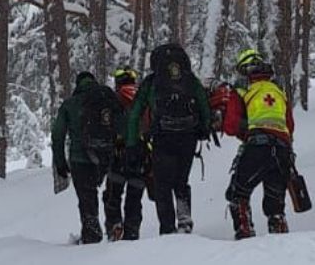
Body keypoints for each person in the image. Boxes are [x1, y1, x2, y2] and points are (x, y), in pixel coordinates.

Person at [124, 43, 213, 235]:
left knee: (162, 185)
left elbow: (135, 113)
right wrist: (205, 128)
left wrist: (131, 144)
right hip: (188, 137)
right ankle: (185, 220)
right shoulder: (190, 80)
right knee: (181, 180)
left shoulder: (152, 82)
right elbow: (204, 105)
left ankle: (168, 228)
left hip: (163, 137)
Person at [221, 50, 297, 240]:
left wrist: (247, 129)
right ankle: (281, 243)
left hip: (257, 147)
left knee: (238, 194)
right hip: (282, 150)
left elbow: (230, 125)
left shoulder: (241, 89)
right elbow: (290, 125)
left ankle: (245, 238)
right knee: (275, 205)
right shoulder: (278, 90)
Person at [50, 72, 123, 244]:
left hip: (80, 158)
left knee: (87, 197)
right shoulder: (108, 99)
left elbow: (57, 135)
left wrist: (60, 164)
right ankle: (114, 224)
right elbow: (123, 124)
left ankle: (92, 234)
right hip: (107, 156)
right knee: (111, 191)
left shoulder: (70, 104)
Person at [103, 66, 148, 241]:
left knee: (113, 195)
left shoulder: (114, 99)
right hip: (142, 154)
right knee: (134, 198)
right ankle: (132, 232)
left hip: (118, 154)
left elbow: (108, 126)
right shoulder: (143, 96)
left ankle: (115, 225)